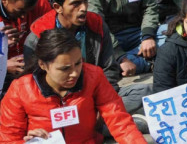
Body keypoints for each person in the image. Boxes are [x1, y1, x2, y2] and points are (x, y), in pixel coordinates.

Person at [24, 0, 151, 115]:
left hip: (95, 94)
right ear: (57, 7)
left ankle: (102, 118)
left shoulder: (96, 23)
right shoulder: (37, 37)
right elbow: (36, 86)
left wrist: (101, 100)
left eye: (85, 1)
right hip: (60, 104)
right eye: (76, 4)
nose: (84, 8)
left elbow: (109, 68)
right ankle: (109, 120)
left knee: (148, 91)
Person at [1, 29, 146, 143]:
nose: (74, 73)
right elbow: (8, 138)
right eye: (64, 68)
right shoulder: (20, 89)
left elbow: (120, 121)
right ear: (42, 65)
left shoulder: (93, 76)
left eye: (78, 63)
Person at [0, 0, 52, 95]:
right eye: (20, 11)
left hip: (33, 64)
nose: (24, 16)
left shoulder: (40, 4)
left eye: (29, 11)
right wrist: (3, 64)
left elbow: (51, 39)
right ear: (4, 0)